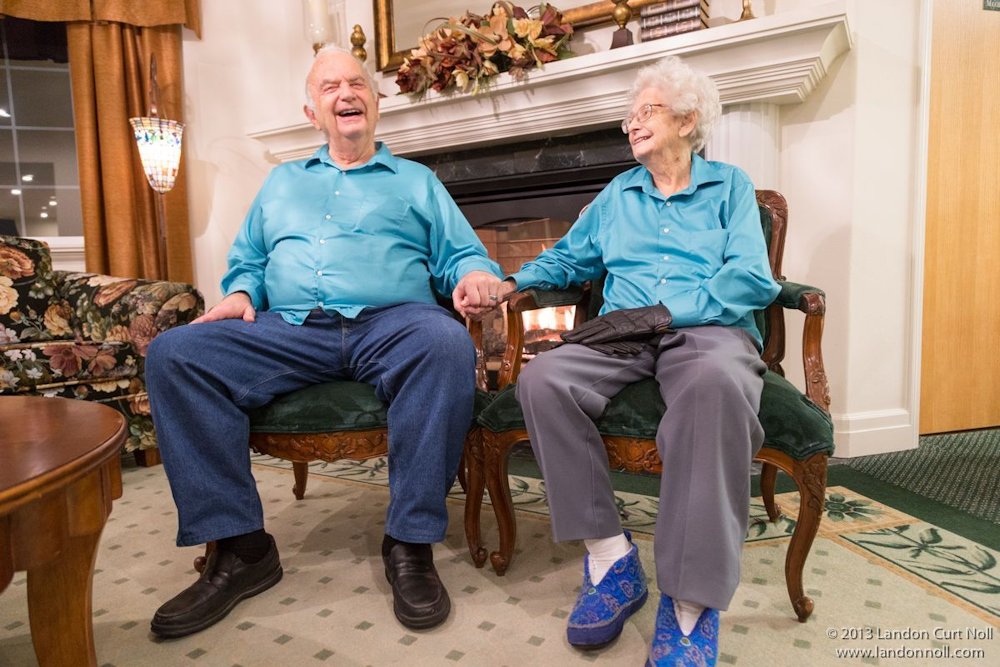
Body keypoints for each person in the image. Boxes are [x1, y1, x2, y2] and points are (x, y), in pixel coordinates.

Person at [145, 45, 504, 639]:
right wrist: (240, 293)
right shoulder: (281, 182)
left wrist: (471, 277)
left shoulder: (417, 181)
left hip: (392, 324)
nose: (346, 93)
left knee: (446, 343)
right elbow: (251, 261)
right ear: (313, 111)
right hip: (290, 329)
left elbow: (462, 254)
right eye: (330, 86)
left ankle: (409, 544)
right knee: (174, 355)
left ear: (376, 101)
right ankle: (241, 549)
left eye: (357, 83)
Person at [494, 55, 780, 665]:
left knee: (715, 385)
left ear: (686, 117)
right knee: (543, 378)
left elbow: (753, 279)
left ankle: (690, 604)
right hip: (622, 332)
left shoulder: (728, 186)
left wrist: (673, 311)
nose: (631, 124)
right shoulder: (616, 194)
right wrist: (510, 281)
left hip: (706, 329)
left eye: (644, 111)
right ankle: (610, 558)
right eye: (628, 117)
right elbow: (569, 260)